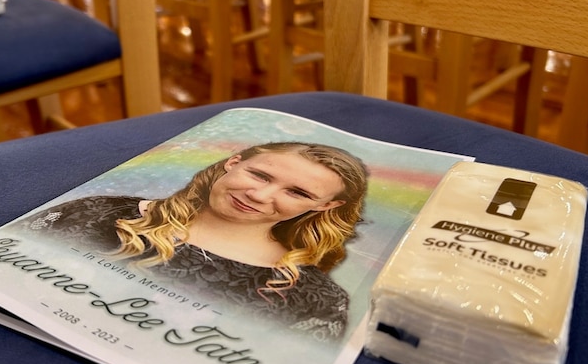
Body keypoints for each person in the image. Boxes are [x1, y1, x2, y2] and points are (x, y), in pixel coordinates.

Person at [21, 142, 369, 342]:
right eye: (259, 174)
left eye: (296, 192)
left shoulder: (317, 300)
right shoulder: (98, 212)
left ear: (325, 205)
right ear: (233, 164)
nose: (259, 194)